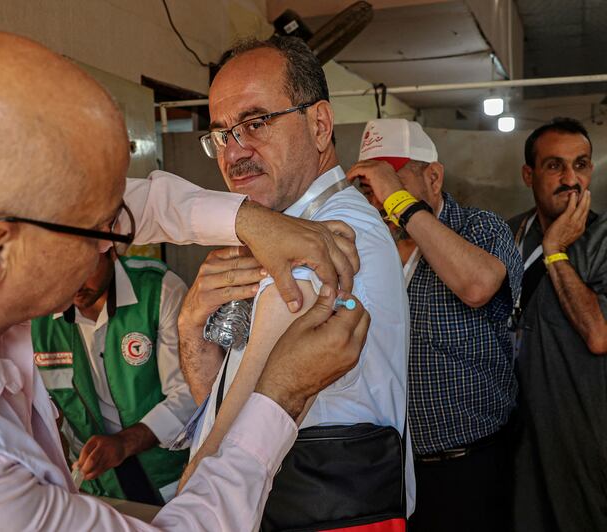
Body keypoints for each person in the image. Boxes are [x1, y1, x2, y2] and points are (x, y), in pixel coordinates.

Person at [0, 30, 371, 531]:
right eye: (102, 229)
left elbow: (131, 202)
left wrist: (248, 219)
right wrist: (281, 393)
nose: (116, 242)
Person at [178, 37, 413, 531]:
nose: (234, 152)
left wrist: (190, 496)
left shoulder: (337, 236)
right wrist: (189, 327)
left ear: (320, 125)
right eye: (221, 134)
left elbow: (242, 420)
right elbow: (225, 395)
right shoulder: (281, 232)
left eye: (255, 123)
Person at [349, 118, 522, 532]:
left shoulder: (480, 228)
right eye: (369, 186)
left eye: (390, 180)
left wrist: (402, 205)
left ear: (433, 176)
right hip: (385, 465)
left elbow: (477, 285)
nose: (379, 198)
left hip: (468, 465)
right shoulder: (366, 246)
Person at [32, 248, 193, 504]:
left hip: (173, 477)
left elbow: (190, 395)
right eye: (61, 270)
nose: (73, 283)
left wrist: (124, 443)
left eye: (83, 268)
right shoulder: (35, 318)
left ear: (110, 250)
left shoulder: (159, 289)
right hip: (95, 489)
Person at [507, 117, 607, 532]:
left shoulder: (602, 241)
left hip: (581, 434)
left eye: (580, 165)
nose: (571, 179)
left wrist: (556, 251)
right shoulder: (509, 235)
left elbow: (598, 334)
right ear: (529, 174)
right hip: (514, 435)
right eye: (555, 166)